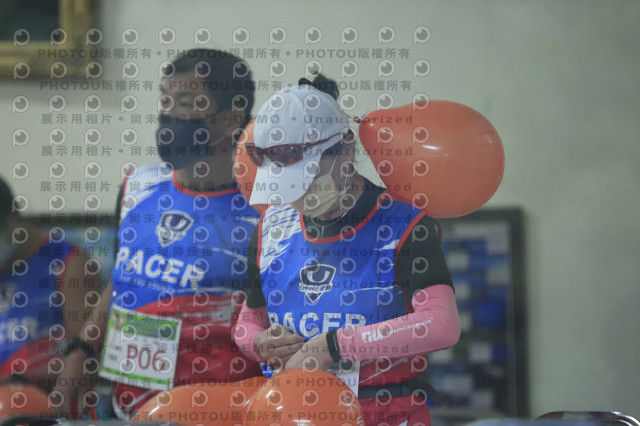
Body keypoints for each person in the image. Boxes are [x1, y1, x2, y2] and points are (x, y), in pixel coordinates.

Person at [234, 75, 461, 426]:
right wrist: (260, 343)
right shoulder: (271, 228)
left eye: (308, 179)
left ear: (345, 149)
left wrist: (335, 346)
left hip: (384, 413)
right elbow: (247, 324)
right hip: (290, 414)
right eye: (288, 186)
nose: (300, 195)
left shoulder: (403, 224)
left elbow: (441, 324)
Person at [53, 48, 262, 420]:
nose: (169, 114)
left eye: (186, 103)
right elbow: (122, 278)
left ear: (231, 118)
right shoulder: (137, 186)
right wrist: (82, 349)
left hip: (215, 411)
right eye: (165, 100)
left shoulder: (263, 211)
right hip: (127, 406)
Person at [0, 176, 97, 392]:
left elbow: (88, 359)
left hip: (48, 403)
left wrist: (17, 380)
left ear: (13, 213)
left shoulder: (68, 262)